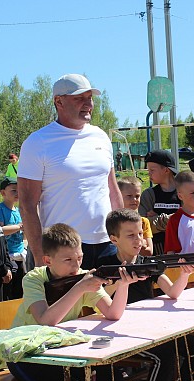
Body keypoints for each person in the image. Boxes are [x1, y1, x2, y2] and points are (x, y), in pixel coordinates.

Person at [98, 209, 194, 381]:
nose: (138, 240)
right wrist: (121, 281)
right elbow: (97, 298)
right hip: (120, 333)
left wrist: (182, 275)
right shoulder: (105, 267)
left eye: (140, 233)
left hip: (151, 328)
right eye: (131, 235)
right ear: (113, 238)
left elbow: (172, 292)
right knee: (165, 357)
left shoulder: (147, 263)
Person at [7, 223, 129, 381]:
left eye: (80, 258)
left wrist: (125, 283)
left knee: (112, 377)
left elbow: (113, 313)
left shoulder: (81, 277)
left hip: (60, 354)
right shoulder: (34, 279)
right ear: (47, 260)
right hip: (24, 354)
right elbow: (46, 320)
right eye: (68, 260)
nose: (77, 265)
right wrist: (79, 287)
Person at [18, 73, 123, 270]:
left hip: (107, 244)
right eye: (79, 98)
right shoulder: (37, 142)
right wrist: (41, 259)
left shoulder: (100, 137)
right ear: (59, 101)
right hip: (62, 250)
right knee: (68, 302)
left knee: (113, 301)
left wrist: (123, 239)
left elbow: (112, 190)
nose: (88, 104)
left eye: (89, 98)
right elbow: (27, 205)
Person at [138, 149, 181, 254]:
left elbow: (188, 221)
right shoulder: (148, 195)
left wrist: (156, 218)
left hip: (182, 250)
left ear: (166, 170)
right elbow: (143, 227)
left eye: (152, 170)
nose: (149, 174)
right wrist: (172, 218)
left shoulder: (185, 190)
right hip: (158, 252)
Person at [0, 176, 26, 300]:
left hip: (20, 254)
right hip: (8, 256)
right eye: (13, 190)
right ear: (3, 193)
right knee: (9, 290)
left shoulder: (17, 210)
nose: (17, 193)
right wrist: (18, 227)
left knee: (20, 288)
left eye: (19, 190)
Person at [117, 176, 153, 256]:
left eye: (137, 196)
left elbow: (149, 251)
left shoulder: (144, 221)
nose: (134, 200)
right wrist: (141, 243)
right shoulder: (114, 221)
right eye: (129, 196)